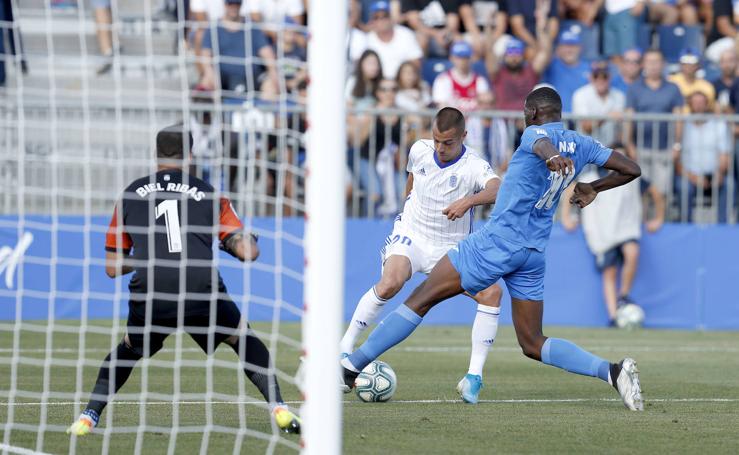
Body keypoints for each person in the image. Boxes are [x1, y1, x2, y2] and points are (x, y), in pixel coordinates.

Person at [340, 87, 645, 412]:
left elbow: (540, 144)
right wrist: (593, 186)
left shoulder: (533, 134)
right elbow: (631, 168)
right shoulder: (582, 143)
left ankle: (347, 369)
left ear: (530, 113)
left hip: (497, 243)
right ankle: (613, 372)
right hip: (533, 253)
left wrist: (551, 155)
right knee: (532, 342)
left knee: (421, 298)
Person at [66, 125, 300, 436]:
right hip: (199, 285)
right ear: (190, 155)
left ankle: (88, 416)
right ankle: (279, 408)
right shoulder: (209, 193)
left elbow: (112, 268)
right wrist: (239, 241)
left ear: (155, 155)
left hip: (150, 288)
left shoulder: (129, 194)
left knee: (129, 349)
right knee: (243, 339)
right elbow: (248, 252)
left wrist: (150, 257)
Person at [341, 107, 503, 404]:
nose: (441, 148)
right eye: (437, 140)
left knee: (491, 294)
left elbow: (497, 188)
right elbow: (412, 180)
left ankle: (473, 379)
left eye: (448, 143)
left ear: (463, 137)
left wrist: (468, 202)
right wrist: (406, 209)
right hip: (413, 235)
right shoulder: (419, 150)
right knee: (391, 281)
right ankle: (345, 348)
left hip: (450, 249)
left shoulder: (474, 165)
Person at [561, 142, 665, 326]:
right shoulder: (591, 177)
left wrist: (658, 218)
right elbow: (572, 189)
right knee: (609, 273)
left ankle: (623, 296)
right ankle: (614, 317)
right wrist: (566, 217)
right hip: (602, 231)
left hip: (626, 228)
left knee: (632, 252)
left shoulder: (632, 177)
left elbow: (655, 193)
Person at [625, 48, 683, 195]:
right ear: (643, 64)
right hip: (640, 149)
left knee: (662, 192)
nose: (653, 65)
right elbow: (629, 118)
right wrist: (629, 144)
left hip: (664, 149)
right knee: (642, 191)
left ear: (663, 64)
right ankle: (644, 219)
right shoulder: (634, 88)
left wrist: (677, 146)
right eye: (650, 62)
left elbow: (678, 119)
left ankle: (661, 218)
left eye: (657, 61)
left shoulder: (673, 88)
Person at [197, 0, 279, 97]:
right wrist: (210, 74)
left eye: (237, 4)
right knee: (207, 82)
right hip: (222, 76)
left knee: (270, 84)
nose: (233, 7)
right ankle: (213, 111)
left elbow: (267, 53)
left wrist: (273, 73)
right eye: (230, 3)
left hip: (251, 75)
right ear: (225, 5)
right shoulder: (213, 27)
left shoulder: (252, 26)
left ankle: (265, 112)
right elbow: (205, 56)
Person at [674, 91, 731, 223]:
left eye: (701, 103)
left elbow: (724, 155)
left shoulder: (719, 125)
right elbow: (676, 161)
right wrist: (693, 177)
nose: (698, 106)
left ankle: (723, 228)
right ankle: (685, 226)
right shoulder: (682, 127)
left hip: (714, 174)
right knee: (683, 187)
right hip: (689, 176)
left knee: (729, 185)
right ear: (690, 106)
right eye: (695, 103)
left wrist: (720, 172)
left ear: (707, 105)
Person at [485, 0, 552, 111]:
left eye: (517, 53)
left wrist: (541, 24)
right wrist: (488, 26)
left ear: (523, 56)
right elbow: (488, 51)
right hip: (504, 124)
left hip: (528, 125)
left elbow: (545, 52)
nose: (514, 57)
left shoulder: (531, 71)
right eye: (510, 53)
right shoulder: (498, 73)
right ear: (504, 56)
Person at [431, 41, 493, 153]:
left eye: (465, 57)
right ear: (452, 58)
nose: (462, 61)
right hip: (451, 127)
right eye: (459, 57)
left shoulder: (479, 80)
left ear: (470, 59)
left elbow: (486, 104)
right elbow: (442, 109)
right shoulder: (443, 80)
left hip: (474, 130)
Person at [572, 60, 626, 147]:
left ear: (610, 77)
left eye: (604, 76)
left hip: (610, 149)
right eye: (596, 76)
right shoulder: (580, 94)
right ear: (590, 78)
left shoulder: (619, 95)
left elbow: (621, 129)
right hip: (586, 149)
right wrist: (607, 116)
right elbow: (585, 126)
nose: (600, 80)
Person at [366, 1, 424, 79]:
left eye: (385, 16)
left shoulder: (406, 34)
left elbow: (416, 62)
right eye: (376, 17)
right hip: (377, 83)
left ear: (391, 17)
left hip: (402, 83)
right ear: (372, 21)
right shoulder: (367, 39)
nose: (381, 20)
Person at [543, 29, 591, 113]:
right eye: (565, 46)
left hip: (581, 120)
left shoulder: (589, 68)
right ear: (558, 48)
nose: (569, 50)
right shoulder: (551, 65)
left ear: (580, 48)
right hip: (557, 120)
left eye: (573, 46)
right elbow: (543, 52)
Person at [712, 48, 738, 113]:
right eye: (723, 61)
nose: (727, 65)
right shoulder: (713, 85)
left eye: (731, 61)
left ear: (737, 62)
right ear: (719, 64)